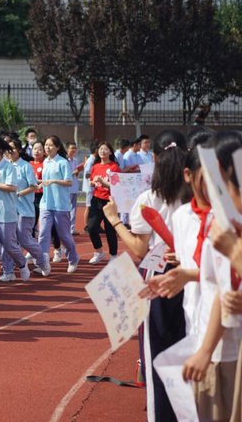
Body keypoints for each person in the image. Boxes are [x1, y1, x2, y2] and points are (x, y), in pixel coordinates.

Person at [103, 130, 191, 422]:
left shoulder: (147, 198)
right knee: (191, 343)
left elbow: (140, 249)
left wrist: (115, 220)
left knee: (156, 352)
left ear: (153, 157)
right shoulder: (196, 196)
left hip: (157, 273)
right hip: (191, 272)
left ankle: (162, 414)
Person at [181, 131, 242, 420]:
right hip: (217, 345)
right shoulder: (221, 222)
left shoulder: (228, 230)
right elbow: (221, 289)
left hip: (228, 351)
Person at [0, 138, 30, 286]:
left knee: (9, 245)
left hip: (6, 213)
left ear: (0, 153)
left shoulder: (9, 168)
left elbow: (12, 187)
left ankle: (21, 263)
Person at [38, 135, 79, 274]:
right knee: (43, 234)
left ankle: (73, 258)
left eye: (50, 145)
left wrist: (54, 181)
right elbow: (45, 181)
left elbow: (69, 181)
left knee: (64, 235)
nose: (47, 147)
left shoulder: (63, 162)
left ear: (57, 147)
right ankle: (43, 263)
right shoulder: (45, 162)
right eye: (46, 145)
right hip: (45, 204)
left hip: (60, 205)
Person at [6, 138, 46, 273]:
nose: (10, 152)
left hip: (24, 209)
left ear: (19, 150)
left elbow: (34, 186)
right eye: (7, 149)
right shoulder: (6, 166)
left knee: (24, 239)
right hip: (9, 209)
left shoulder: (25, 166)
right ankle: (9, 268)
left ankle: (42, 260)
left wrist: (18, 193)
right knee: (9, 239)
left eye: (12, 149)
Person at [86, 142, 120, 265]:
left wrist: (103, 182)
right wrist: (92, 183)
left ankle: (113, 255)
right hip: (96, 200)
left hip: (109, 201)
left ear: (110, 152)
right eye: (100, 149)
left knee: (110, 230)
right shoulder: (95, 167)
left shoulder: (114, 167)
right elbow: (92, 181)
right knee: (91, 227)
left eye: (106, 149)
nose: (102, 151)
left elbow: (116, 186)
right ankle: (99, 252)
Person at [67, 142, 81, 235]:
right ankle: (66, 227)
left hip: (74, 187)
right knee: (67, 209)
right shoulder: (64, 160)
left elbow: (76, 173)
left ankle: (72, 227)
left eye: (75, 148)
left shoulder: (75, 160)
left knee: (73, 209)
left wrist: (78, 171)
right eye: (72, 148)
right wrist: (74, 171)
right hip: (67, 188)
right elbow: (66, 175)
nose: (73, 150)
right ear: (67, 149)